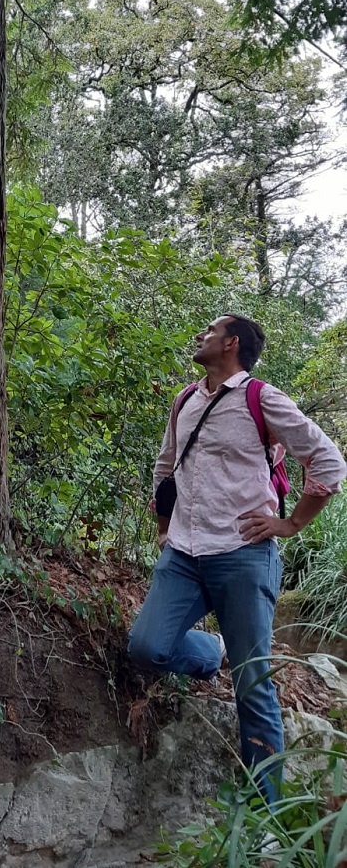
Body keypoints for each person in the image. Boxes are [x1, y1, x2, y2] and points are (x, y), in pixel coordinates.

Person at [128, 314, 347, 807]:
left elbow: (329, 462)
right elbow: (168, 465)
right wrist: (164, 526)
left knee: (254, 686)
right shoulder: (184, 399)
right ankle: (213, 652)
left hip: (244, 556)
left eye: (208, 331)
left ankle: (262, 819)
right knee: (145, 647)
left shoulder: (262, 399)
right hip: (183, 554)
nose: (199, 335)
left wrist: (290, 524)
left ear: (230, 344)